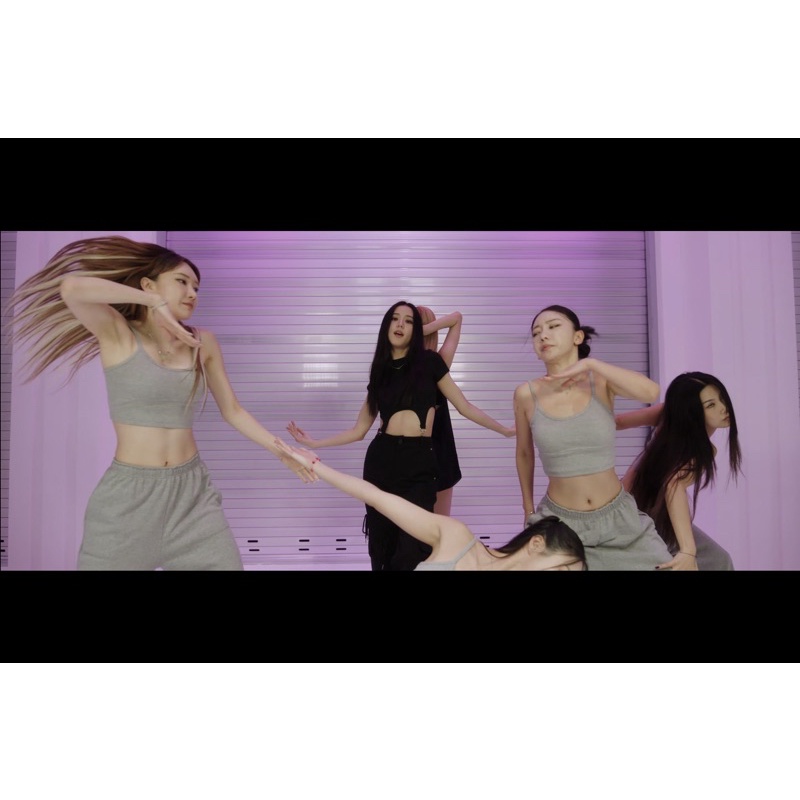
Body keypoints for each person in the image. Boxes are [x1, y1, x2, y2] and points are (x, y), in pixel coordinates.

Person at [6, 235, 316, 571]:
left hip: (192, 500)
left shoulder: (203, 342)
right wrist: (151, 302)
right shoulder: (119, 334)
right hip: (128, 504)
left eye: (196, 287)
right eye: (182, 282)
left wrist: (282, 451)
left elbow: (233, 411)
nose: (192, 293)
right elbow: (72, 288)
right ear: (147, 285)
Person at [287, 300, 515, 571]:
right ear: (386, 326)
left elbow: (465, 407)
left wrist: (504, 430)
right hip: (382, 461)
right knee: (381, 546)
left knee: (413, 548)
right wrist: (313, 442)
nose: (400, 325)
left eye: (409, 321)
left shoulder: (430, 363)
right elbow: (359, 430)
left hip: (419, 463)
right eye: (395, 319)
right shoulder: (380, 371)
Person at [513, 304, 674, 571]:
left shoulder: (600, 380)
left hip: (620, 522)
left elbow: (650, 392)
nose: (543, 335)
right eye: (536, 333)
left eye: (553, 326)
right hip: (561, 525)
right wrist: (528, 510)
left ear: (578, 337)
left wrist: (590, 364)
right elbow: (524, 453)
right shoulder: (525, 394)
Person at [275, 440, 587, 570]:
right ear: (536, 544)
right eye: (562, 570)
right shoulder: (457, 538)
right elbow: (379, 498)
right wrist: (315, 464)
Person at [616, 371, 742, 571]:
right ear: (691, 412)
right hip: (635, 516)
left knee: (719, 560)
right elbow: (674, 485)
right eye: (711, 405)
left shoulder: (668, 414)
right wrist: (688, 550)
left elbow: (618, 422)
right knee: (716, 562)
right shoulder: (700, 448)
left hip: (640, 510)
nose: (724, 408)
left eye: (722, 399)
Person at [418, 306, 463, 515]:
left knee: (439, 523)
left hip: (439, 454)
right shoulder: (395, 366)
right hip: (412, 455)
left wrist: (424, 329)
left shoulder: (437, 363)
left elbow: (457, 318)